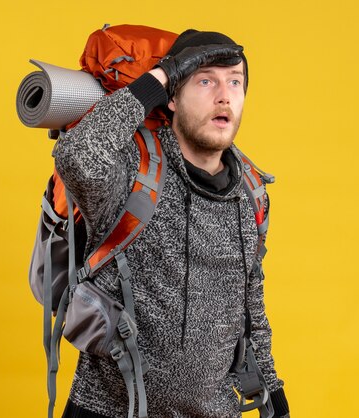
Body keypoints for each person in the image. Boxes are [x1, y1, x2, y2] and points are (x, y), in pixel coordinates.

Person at [53, 29, 289, 418]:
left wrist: (271, 388)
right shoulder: (131, 170)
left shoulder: (251, 193)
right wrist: (161, 77)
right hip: (107, 409)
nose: (224, 95)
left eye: (235, 82)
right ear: (173, 97)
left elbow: (251, 304)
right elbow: (76, 157)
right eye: (205, 80)